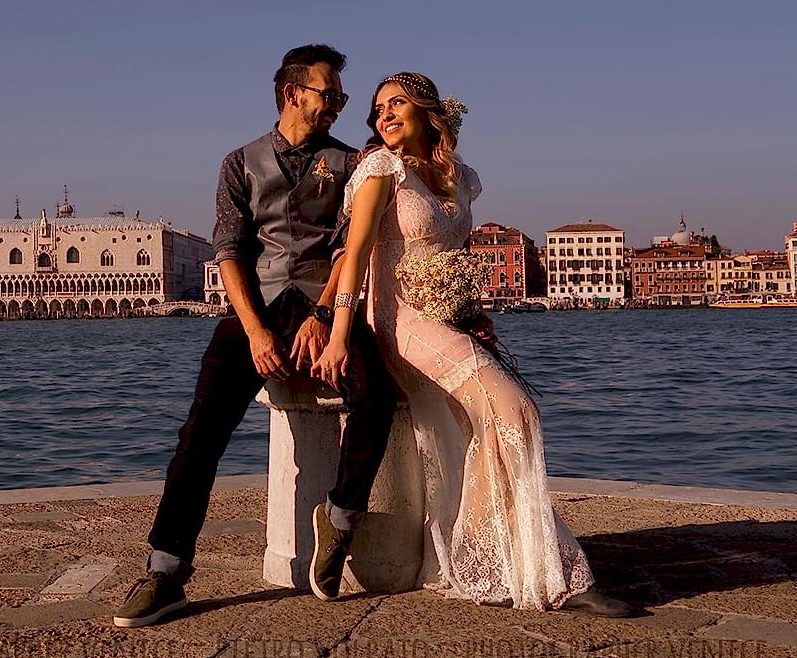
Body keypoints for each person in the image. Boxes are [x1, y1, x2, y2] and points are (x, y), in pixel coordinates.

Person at [311, 72, 630, 617]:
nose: (384, 115)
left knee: (495, 425)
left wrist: (469, 311)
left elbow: (447, 255)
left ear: (428, 113)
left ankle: (501, 560)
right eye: (378, 107)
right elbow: (356, 257)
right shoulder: (378, 169)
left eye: (397, 104)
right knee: (516, 411)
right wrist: (338, 337)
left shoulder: (455, 177)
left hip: (444, 320)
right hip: (398, 320)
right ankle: (510, 562)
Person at [114, 45, 402, 628]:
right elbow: (229, 252)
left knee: (378, 395)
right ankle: (165, 570)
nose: (339, 106)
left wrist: (325, 318)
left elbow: (350, 250)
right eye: (331, 94)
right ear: (293, 93)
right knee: (200, 431)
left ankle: (340, 521)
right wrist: (253, 333)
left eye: (342, 97)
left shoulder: (351, 164)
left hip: (324, 304)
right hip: (257, 309)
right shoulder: (238, 163)